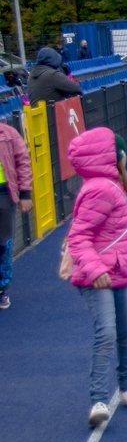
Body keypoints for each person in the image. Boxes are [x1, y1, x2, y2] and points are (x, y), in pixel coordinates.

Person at [66, 127, 127, 428]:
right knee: (107, 334)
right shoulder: (100, 188)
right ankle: (99, 399)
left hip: (116, 270)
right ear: (116, 157)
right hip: (98, 275)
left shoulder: (110, 185)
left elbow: (109, 224)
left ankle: (126, 388)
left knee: (126, 331)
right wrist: (95, 269)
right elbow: (79, 237)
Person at [0, 118, 32, 310]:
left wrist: (25, 193)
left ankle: (2, 288)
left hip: (4, 194)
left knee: (3, 243)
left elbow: (23, 162)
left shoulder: (8, 134)